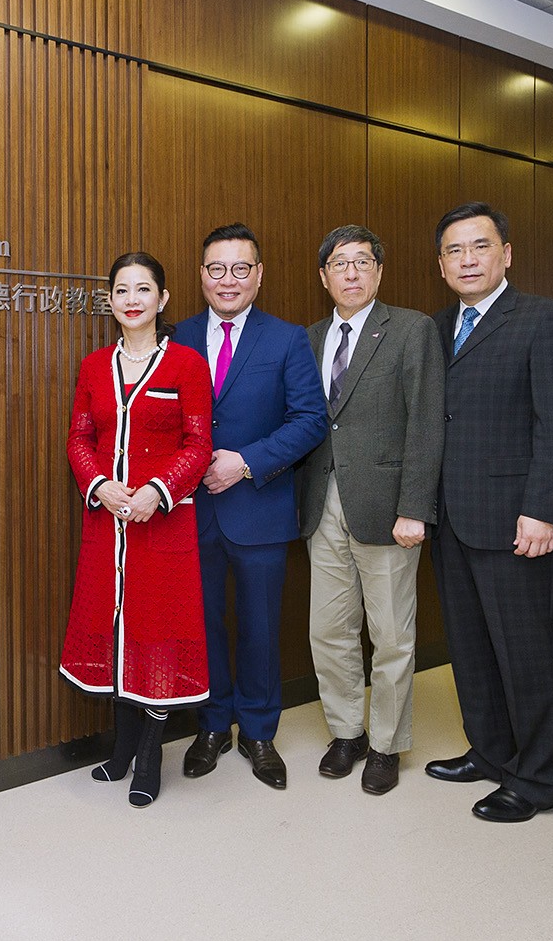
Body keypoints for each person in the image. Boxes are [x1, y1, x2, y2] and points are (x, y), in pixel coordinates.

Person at [425, 202, 553, 823]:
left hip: (519, 519)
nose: (468, 260)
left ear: (506, 254)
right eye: (455, 251)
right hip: (454, 518)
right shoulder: (437, 328)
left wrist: (543, 510)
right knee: (470, 648)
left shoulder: (544, 320)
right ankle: (491, 752)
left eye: (480, 247)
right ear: (441, 265)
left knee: (529, 653)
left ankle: (538, 776)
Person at [171, 224, 327, 790]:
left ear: (259, 275)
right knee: (204, 623)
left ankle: (260, 732)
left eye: (241, 268)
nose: (228, 280)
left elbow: (310, 420)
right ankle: (212, 725)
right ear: (202, 276)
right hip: (189, 512)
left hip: (258, 504)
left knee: (261, 627)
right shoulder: (177, 336)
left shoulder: (286, 340)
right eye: (217, 269)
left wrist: (246, 461)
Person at [61, 252, 213, 807]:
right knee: (116, 629)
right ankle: (121, 748)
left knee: (156, 636)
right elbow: (79, 438)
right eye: (121, 290)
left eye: (143, 289)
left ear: (163, 299)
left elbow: (199, 445)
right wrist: (100, 484)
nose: (132, 299)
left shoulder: (187, 366)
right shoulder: (94, 365)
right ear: (110, 300)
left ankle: (150, 754)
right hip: (108, 524)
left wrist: (157, 492)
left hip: (164, 525)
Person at [298, 225, 444, 795]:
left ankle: (385, 743)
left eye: (363, 262)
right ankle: (346, 731)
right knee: (328, 630)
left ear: (379, 272)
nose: (351, 273)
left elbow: (426, 423)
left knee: (391, 634)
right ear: (324, 276)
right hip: (321, 502)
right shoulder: (308, 338)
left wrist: (415, 507)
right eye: (340, 264)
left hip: (387, 507)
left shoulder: (411, 330)